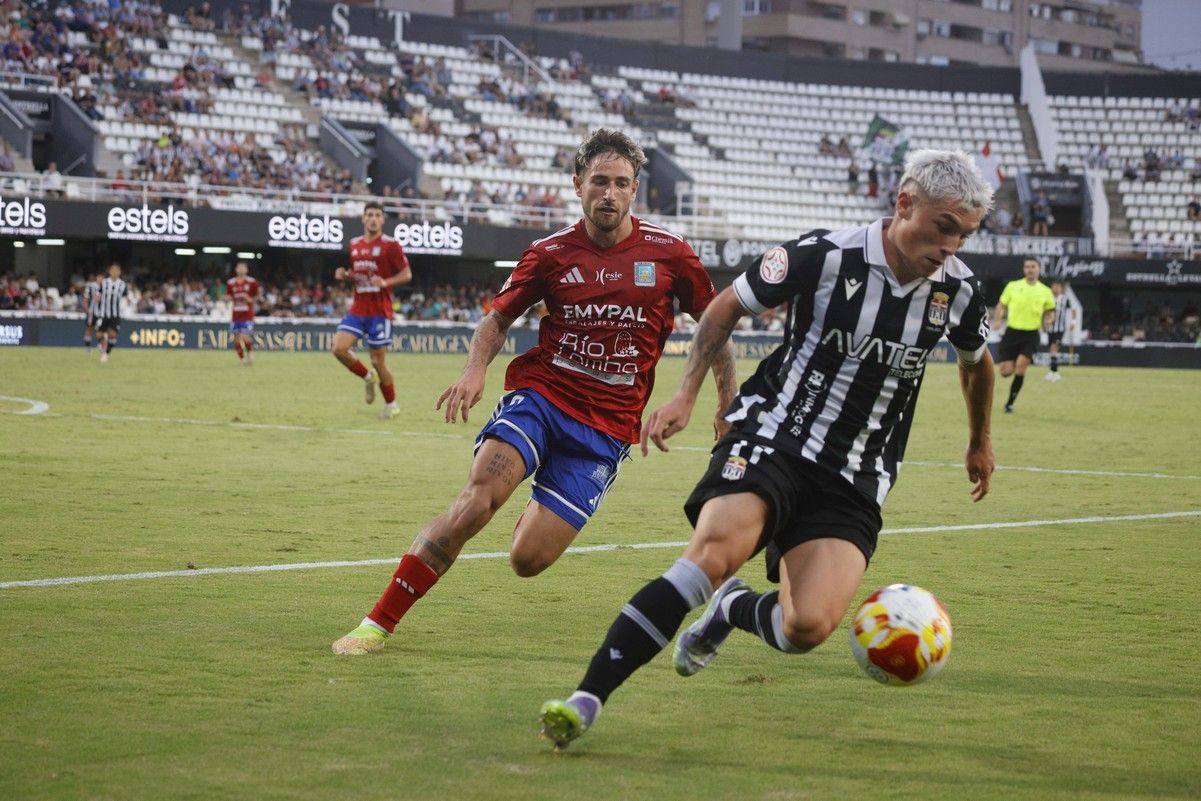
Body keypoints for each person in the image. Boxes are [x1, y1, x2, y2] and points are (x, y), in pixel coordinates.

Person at [537, 148, 997, 750]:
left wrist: (980, 441)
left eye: (964, 235)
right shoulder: (823, 255)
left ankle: (731, 612)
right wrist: (686, 395)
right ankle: (586, 698)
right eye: (944, 227)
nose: (952, 246)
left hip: (855, 475)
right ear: (905, 203)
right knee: (707, 560)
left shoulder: (959, 292)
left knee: (805, 627)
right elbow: (724, 309)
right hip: (774, 436)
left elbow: (978, 367)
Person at [331, 128, 737, 656]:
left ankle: (540, 496)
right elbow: (497, 320)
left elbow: (716, 328)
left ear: (634, 190)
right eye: (598, 182)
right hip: (541, 399)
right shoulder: (549, 254)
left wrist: (725, 403)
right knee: (476, 503)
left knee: (528, 561)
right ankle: (376, 624)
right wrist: (476, 370)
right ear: (577, 185)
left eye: (620, 183)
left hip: (605, 430)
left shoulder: (669, 255)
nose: (608, 193)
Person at [331, 201, 412, 419]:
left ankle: (392, 405)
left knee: (378, 361)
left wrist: (386, 282)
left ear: (383, 219)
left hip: (380, 311)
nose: (374, 218)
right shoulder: (355, 244)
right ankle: (368, 377)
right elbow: (359, 276)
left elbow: (406, 274)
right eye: (370, 214)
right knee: (338, 349)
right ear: (363, 218)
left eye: (377, 214)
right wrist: (346, 276)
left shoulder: (390, 245)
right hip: (358, 309)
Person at [994, 257, 1055, 412]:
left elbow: (1050, 312)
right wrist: (998, 319)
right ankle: (1015, 360)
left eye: (1033, 266)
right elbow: (1001, 305)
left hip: (1031, 335)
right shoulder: (1012, 286)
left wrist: (1049, 320)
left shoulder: (1045, 291)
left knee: (1021, 366)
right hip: (1012, 333)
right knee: (1005, 372)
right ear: (1024, 269)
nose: (1030, 269)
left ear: (1038, 269)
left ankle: (1009, 404)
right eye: (1027, 266)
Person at [225, 260, 260, 365]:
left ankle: (250, 353)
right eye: (238, 268)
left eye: (242, 268)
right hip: (236, 315)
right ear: (236, 270)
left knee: (245, 336)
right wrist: (227, 298)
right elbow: (228, 295)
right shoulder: (230, 283)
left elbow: (257, 296)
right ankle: (242, 359)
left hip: (247, 315)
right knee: (236, 339)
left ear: (246, 270)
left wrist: (251, 300)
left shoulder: (252, 282)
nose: (240, 269)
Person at [96, 262, 127, 364]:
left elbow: (125, 299)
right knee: (98, 335)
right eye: (112, 270)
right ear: (109, 271)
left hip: (115, 314)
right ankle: (102, 345)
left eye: (116, 270)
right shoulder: (104, 283)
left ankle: (106, 354)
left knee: (113, 335)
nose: (114, 272)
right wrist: (97, 299)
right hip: (103, 313)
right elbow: (98, 295)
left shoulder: (122, 285)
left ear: (119, 272)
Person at [1045, 280, 1076, 383]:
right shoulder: (1048, 298)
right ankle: (1052, 371)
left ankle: (1055, 372)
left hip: (1060, 329)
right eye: (1054, 286)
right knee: (1051, 350)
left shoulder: (1065, 299)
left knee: (1054, 349)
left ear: (1061, 288)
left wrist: (1073, 322)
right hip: (1050, 329)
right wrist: (1046, 322)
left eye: (1058, 286)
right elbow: (1046, 312)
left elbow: (1073, 310)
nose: (1055, 288)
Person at [82, 273, 101, 350]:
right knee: (89, 328)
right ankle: (87, 346)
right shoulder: (90, 286)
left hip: (101, 312)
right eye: (99, 277)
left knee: (100, 328)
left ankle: (100, 344)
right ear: (97, 278)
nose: (101, 279)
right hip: (92, 311)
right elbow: (86, 298)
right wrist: (87, 309)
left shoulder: (105, 287)